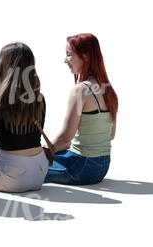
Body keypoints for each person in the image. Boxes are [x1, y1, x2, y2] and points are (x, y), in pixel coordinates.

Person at [45, 33, 118, 185]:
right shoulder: (108, 90)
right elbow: (111, 135)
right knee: (57, 155)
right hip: (103, 166)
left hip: (82, 167)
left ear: (85, 57)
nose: (65, 60)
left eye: (69, 55)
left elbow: (66, 137)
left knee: (27, 169)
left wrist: (41, 154)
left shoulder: (81, 90)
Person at [0, 42, 48, 192]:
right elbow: (29, 140)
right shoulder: (40, 99)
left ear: (2, 65)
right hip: (39, 172)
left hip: (12, 176)